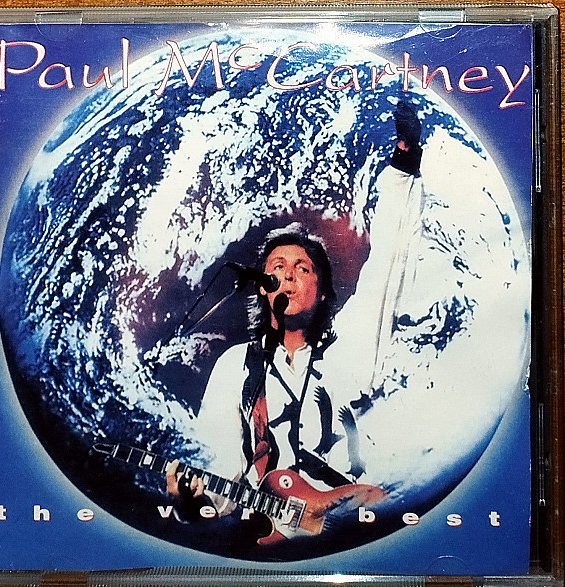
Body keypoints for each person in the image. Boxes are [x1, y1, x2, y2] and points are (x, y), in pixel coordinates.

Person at [166, 101, 424, 522]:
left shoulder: (351, 345)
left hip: (352, 525)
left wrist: (403, 166)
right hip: (268, 533)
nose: (288, 275)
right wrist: (192, 498)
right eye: (277, 268)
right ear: (262, 287)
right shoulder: (235, 366)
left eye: (302, 269)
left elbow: (388, 265)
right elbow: (219, 468)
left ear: (321, 292)